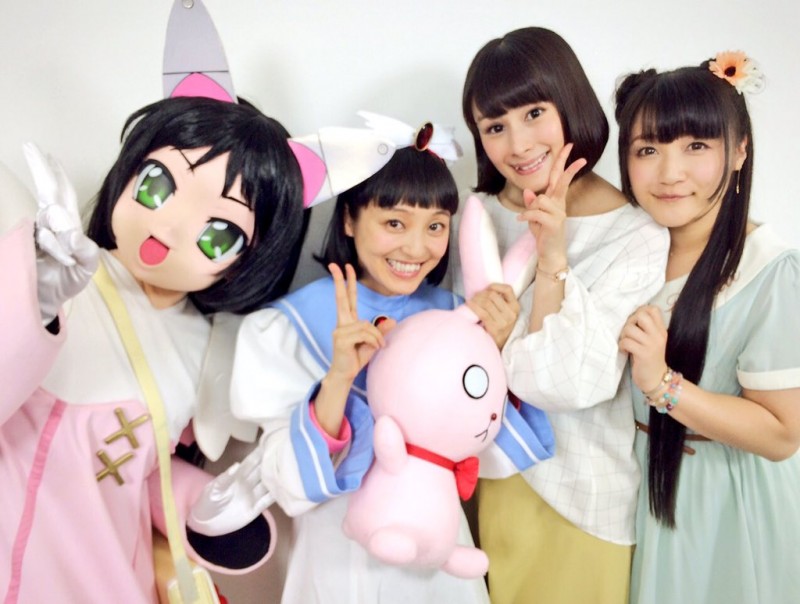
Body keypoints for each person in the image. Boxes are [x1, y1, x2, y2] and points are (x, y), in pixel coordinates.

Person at [188, 113, 555, 602]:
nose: (416, 247)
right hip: (339, 561)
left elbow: (489, 458)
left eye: (436, 226)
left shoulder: (457, 320)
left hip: (436, 565)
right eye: (394, 222)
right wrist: (339, 377)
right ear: (349, 218)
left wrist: (497, 348)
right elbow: (285, 480)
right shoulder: (288, 327)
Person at [0, 96, 318, 603]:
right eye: (157, 185)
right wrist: (31, 304)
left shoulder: (210, 350)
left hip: (105, 579)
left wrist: (208, 509)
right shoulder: (60, 268)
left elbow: (143, 474)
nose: (167, 228)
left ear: (251, 261)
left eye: (219, 233)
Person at [455, 27, 670, 604]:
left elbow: (571, 383)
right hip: (484, 488)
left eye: (534, 114)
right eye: (495, 127)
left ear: (569, 103)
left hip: (582, 495)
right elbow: (451, 361)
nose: (518, 144)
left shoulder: (635, 235)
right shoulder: (473, 217)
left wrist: (553, 259)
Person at [616, 51, 800, 604]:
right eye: (648, 150)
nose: (670, 173)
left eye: (696, 146)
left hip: (725, 506)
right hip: (636, 493)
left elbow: (782, 433)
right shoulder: (627, 251)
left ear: (739, 150)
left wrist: (661, 384)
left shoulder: (769, 269)